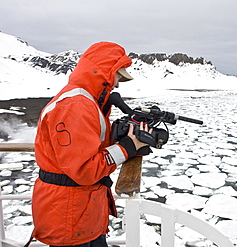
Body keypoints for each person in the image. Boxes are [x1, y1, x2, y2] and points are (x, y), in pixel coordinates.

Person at [30, 42, 151, 246]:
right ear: (103, 72)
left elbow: (85, 147)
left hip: (81, 213)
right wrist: (128, 147)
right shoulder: (76, 106)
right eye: (118, 76)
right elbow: (85, 169)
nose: (118, 85)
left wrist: (121, 140)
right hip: (69, 216)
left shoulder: (86, 101)